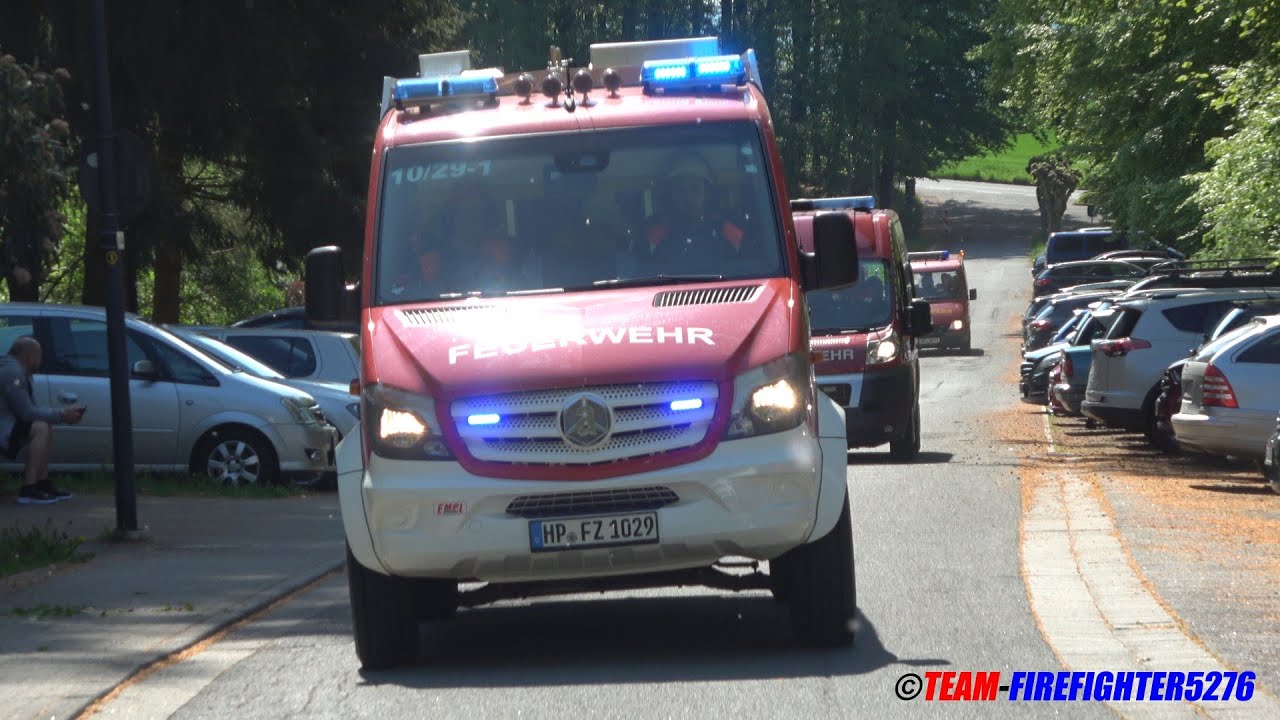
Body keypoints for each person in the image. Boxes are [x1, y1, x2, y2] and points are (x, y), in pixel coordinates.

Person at [1, 337, 85, 504]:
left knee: (44, 425)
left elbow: (28, 411)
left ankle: (42, 482)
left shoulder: (14, 369)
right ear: (29, 357)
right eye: (39, 357)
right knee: (40, 427)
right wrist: (62, 415)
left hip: (5, 424)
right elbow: (26, 413)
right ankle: (29, 488)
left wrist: (58, 415)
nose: (40, 362)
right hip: (3, 428)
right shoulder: (13, 373)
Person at [641, 154, 744, 270]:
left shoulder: (729, 231)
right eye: (681, 190)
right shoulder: (653, 236)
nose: (689, 197)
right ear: (670, 195)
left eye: (695, 188)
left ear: (707, 193)